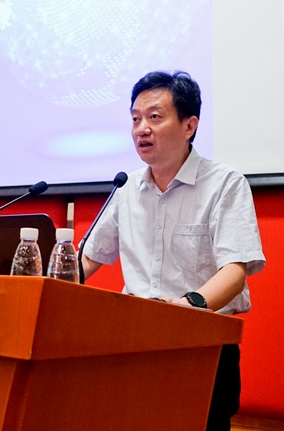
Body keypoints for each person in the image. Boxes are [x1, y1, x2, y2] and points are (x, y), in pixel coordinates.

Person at [81, 70, 265, 431]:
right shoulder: (126, 188)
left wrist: (186, 308)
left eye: (154, 117)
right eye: (135, 119)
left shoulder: (224, 183)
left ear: (189, 125)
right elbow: (88, 258)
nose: (141, 129)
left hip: (202, 347)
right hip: (134, 344)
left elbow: (234, 270)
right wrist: (45, 281)